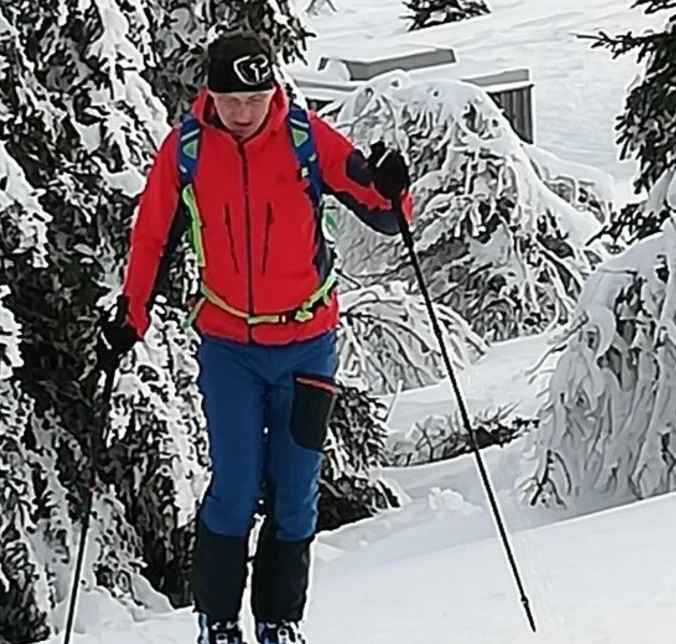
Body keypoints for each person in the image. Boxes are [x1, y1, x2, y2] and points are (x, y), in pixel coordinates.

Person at [94, 31, 413, 644]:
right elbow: (152, 237)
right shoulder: (185, 150)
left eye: (255, 97)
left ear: (273, 91)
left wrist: (394, 188)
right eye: (230, 98)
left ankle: (279, 624)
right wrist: (130, 316)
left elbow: (380, 207)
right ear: (209, 94)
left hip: (307, 346)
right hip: (229, 349)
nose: (243, 111)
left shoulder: (303, 137)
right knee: (235, 489)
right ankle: (218, 622)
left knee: (295, 495)